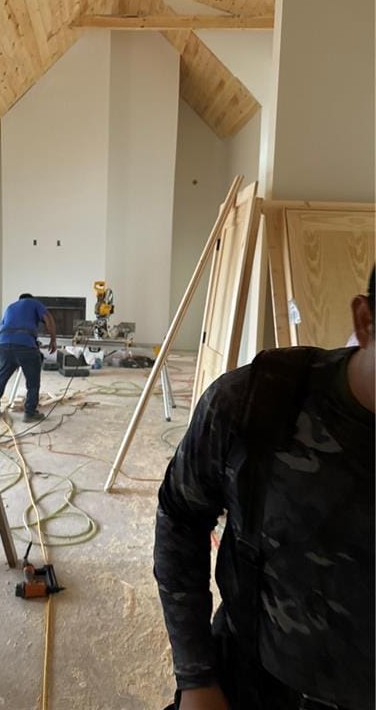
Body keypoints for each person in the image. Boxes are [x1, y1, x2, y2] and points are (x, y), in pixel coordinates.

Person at [155, 268, 375, 710]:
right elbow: (180, 516)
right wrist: (197, 678)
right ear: (366, 321)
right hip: (256, 685)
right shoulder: (258, 403)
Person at [0, 294, 57, 422]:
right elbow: (48, 317)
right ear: (30, 299)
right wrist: (53, 340)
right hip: (25, 346)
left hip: (4, 345)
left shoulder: (10, 307)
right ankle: (30, 413)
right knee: (33, 381)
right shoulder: (34, 303)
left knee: (1, 377)